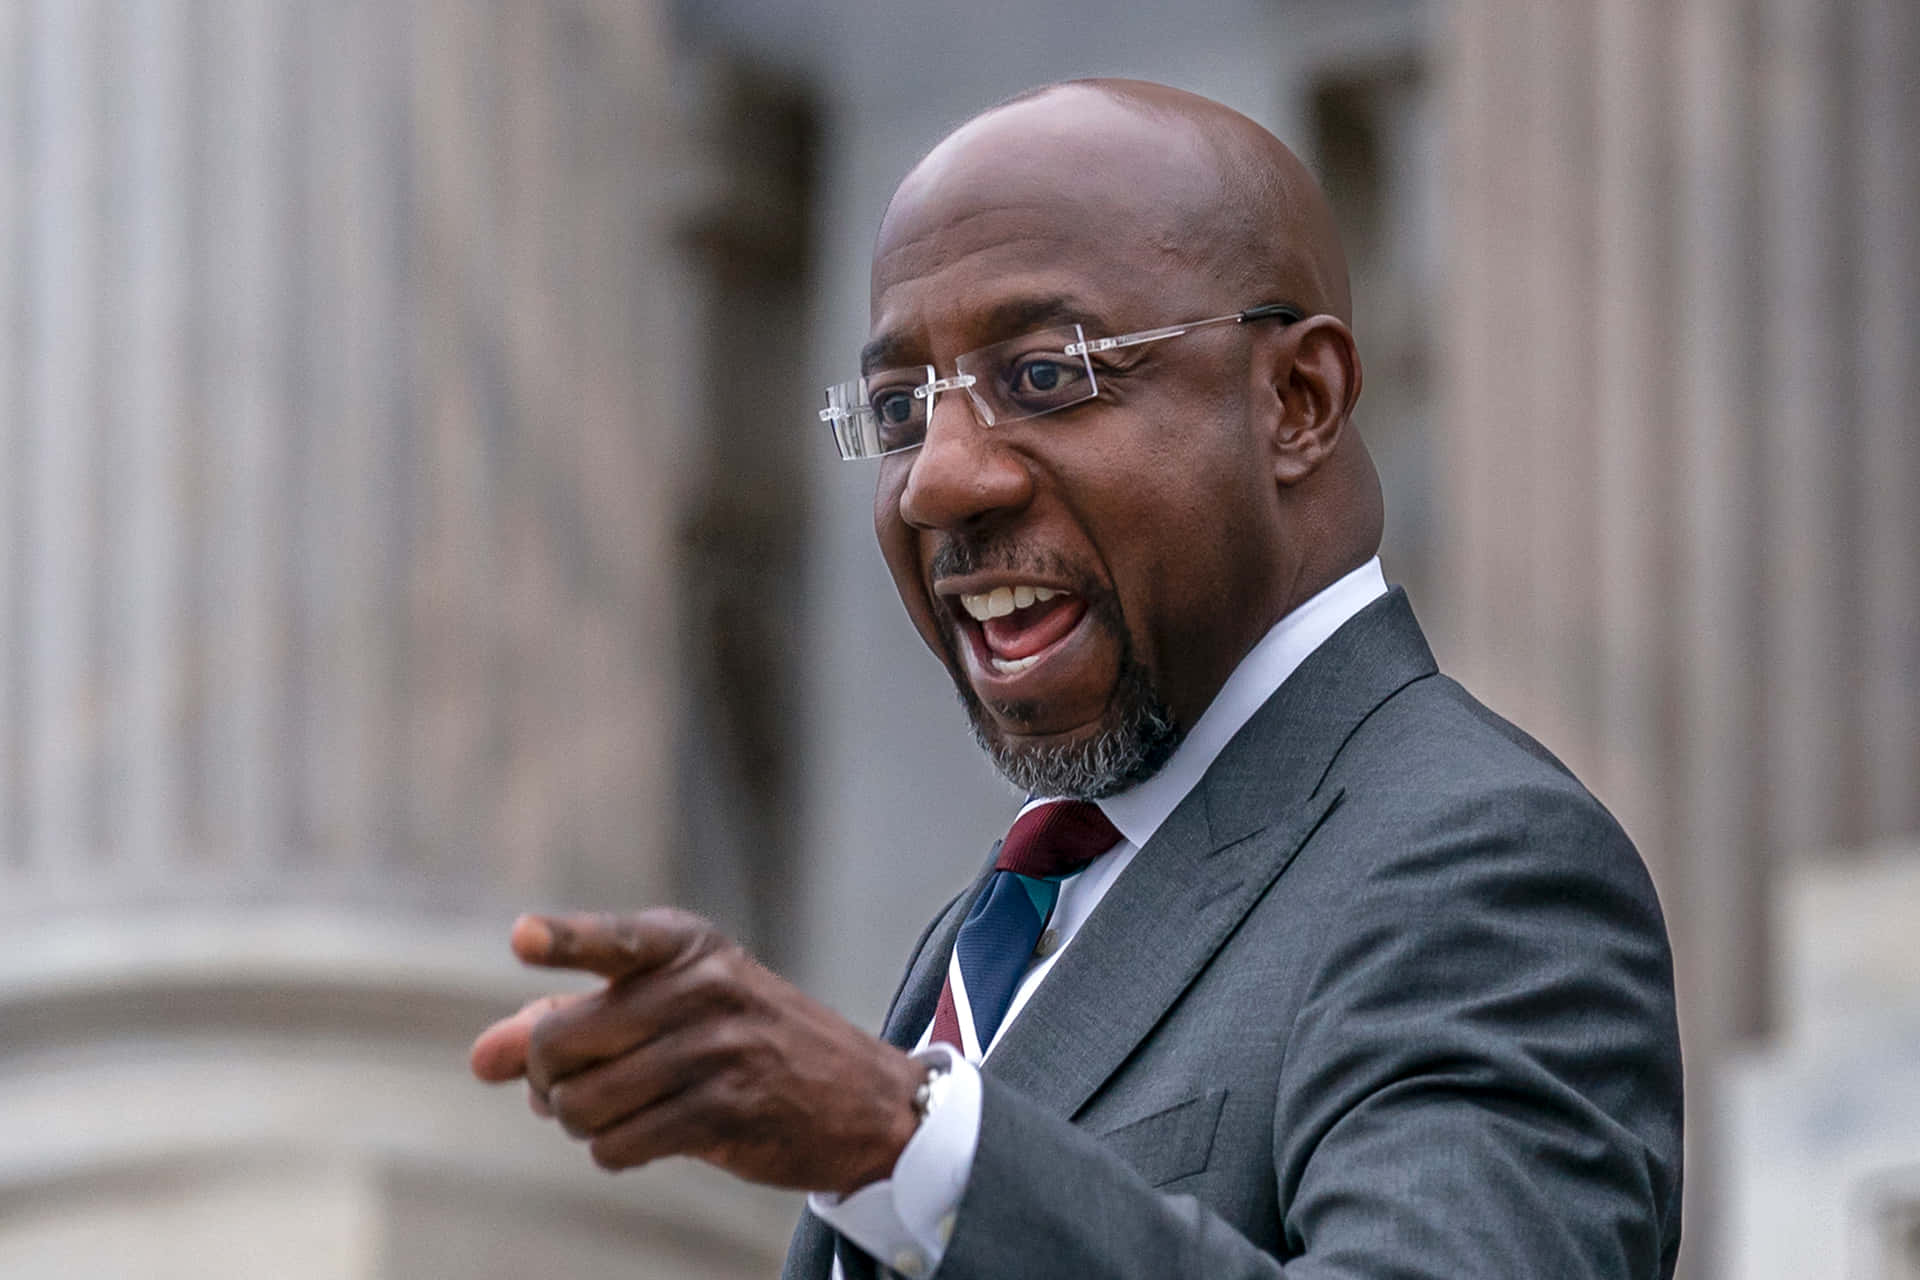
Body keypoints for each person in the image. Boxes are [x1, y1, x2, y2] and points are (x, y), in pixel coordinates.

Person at [469, 79, 1684, 1279]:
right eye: (898, 408)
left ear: (1297, 401)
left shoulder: (1480, 861)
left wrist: (896, 1139)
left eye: (1044, 375)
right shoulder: (1004, 920)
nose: (938, 480)